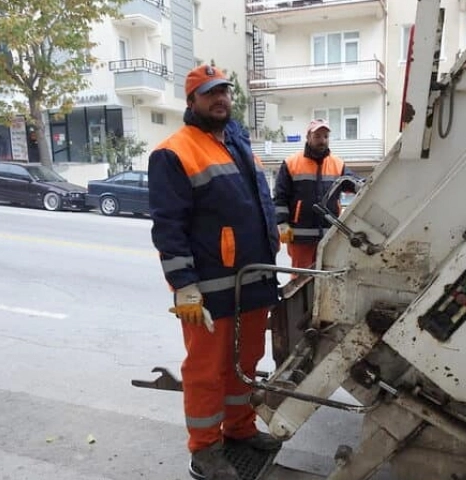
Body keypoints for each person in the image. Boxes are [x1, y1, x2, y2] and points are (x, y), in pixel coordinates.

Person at [147, 64, 282, 480]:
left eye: (223, 91)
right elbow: (169, 229)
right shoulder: (173, 152)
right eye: (209, 93)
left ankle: (240, 430)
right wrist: (185, 288)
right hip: (209, 289)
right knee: (206, 372)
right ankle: (205, 450)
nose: (219, 98)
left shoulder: (239, 143)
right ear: (192, 102)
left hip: (254, 281)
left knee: (246, 363)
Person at [273, 119, 357, 269]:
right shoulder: (291, 163)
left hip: (330, 236)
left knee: (328, 278)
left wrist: (372, 182)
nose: (322, 140)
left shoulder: (338, 164)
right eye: (317, 136)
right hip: (300, 237)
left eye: (325, 136)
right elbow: (281, 197)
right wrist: (282, 223)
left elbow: (355, 184)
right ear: (308, 137)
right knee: (301, 279)